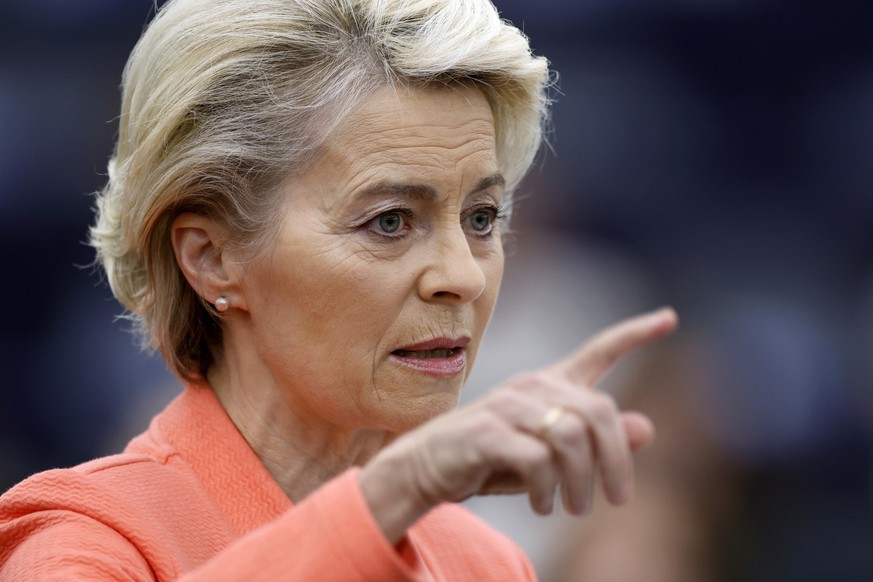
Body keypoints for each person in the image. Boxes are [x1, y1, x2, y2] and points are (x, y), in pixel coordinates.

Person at [0, 0, 677, 579]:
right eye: (388, 221)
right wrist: (399, 488)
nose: (464, 276)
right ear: (210, 259)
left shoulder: (482, 563)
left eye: (481, 218)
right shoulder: (84, 541)